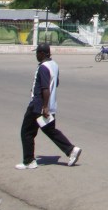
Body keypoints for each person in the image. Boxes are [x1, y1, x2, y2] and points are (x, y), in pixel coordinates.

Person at [15, 42, 82, 170]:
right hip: (48, 105)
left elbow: (45, 88)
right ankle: (71, 150)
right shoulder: (54, 65)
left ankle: (29, 161)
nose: (36, 55)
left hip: (38, 106)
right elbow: (55, 83)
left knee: (26, 132)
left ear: (42, 53)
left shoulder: (43, 67)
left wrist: (44, 106)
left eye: (37, 53)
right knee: (50, 131)